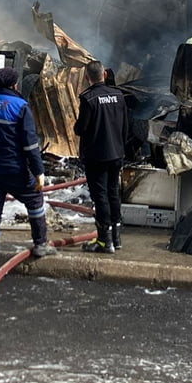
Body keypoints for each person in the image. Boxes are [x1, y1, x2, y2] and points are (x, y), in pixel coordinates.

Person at [0, 67, 56, 281]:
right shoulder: (20, 106)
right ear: (14, 85)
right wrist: (38, 171)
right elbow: (30, 144)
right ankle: (41, 244)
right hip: (14, 169)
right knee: (35, 199)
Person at [75, 59, 130, 253]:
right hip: (116, 153)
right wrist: (121, 148)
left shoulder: (88, 98)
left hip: (96, 156)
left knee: (100, 197)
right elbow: (125, 126)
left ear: (87, 77)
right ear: (104, 74)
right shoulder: (118, 95)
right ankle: (117, 239)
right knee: (113, 192)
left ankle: (104, 241)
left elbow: (81, 128)